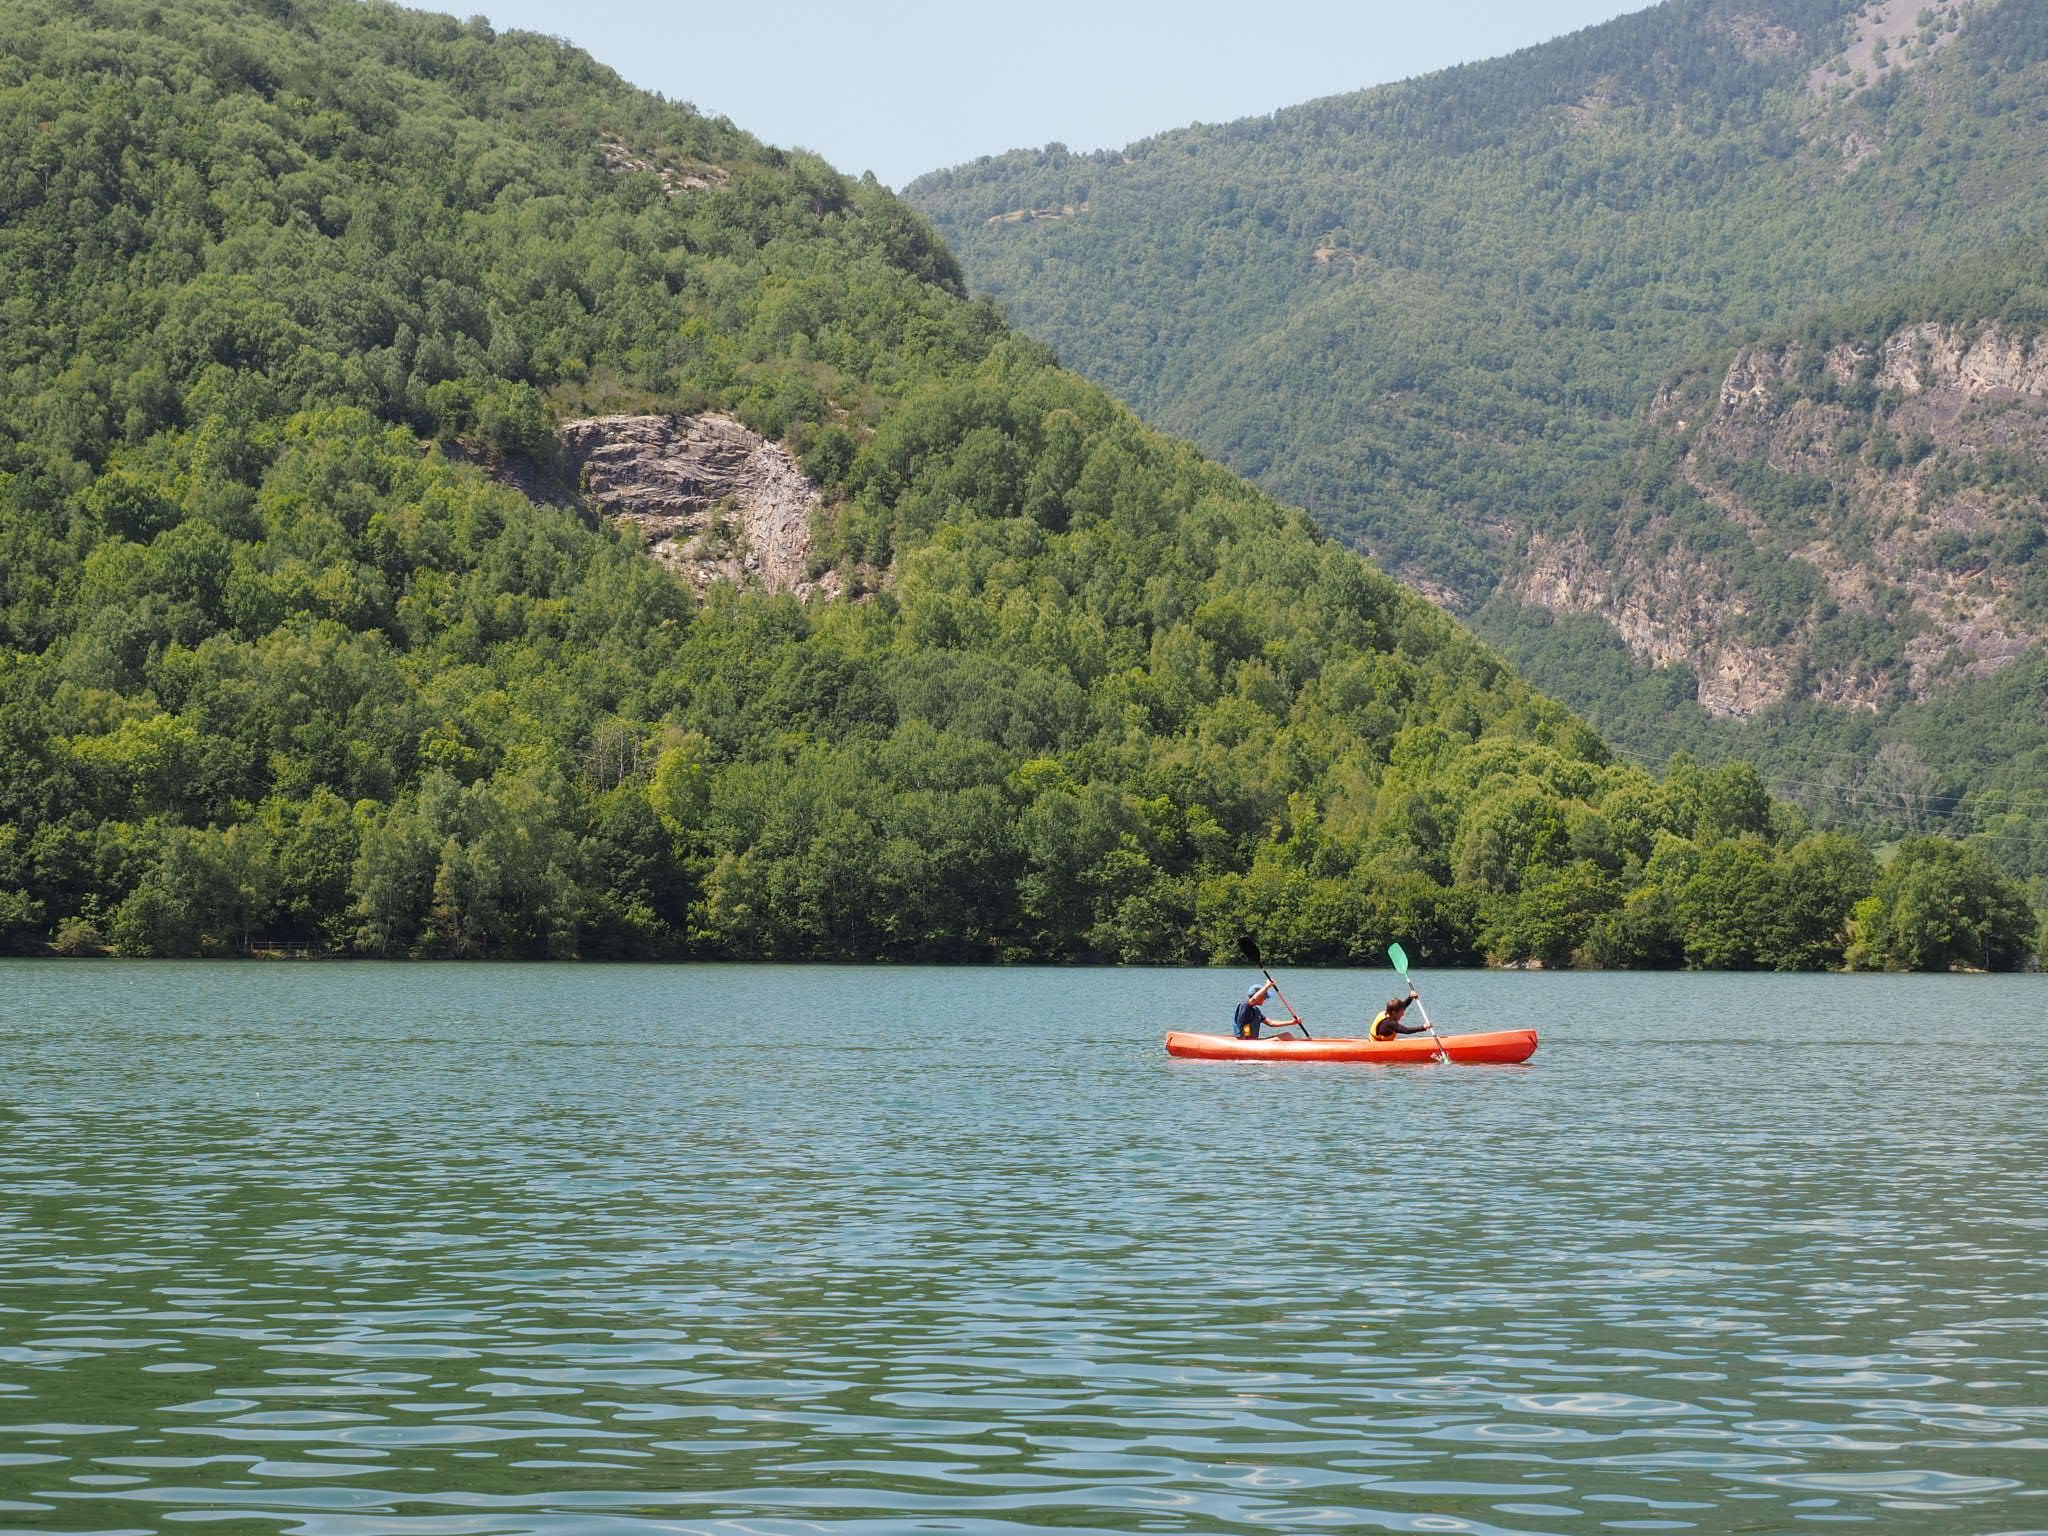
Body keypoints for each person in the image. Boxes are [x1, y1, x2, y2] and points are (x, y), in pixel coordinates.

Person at [1234, 980, 1299, 1039]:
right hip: (1246, 1043)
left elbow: (1271, 1023)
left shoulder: (1256, 1010)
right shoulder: (1245, 1006)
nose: (1265, 999)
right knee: (1283, 1037)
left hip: (1254, 1042)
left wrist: (1291, 1022)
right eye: (1265, 997)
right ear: (1259, 997)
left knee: (1287, 1035)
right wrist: (1267, 986)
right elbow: (1253, 999)